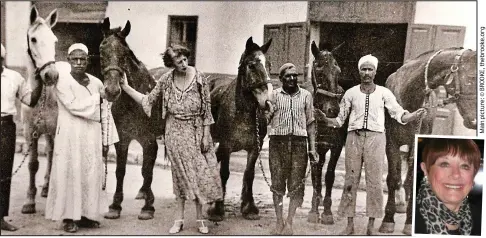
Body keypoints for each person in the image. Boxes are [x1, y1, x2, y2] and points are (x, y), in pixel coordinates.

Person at [317, 54, 427, 235]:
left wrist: (413, 116)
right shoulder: (350, 93)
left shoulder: (385, 93)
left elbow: (398, 114)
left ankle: (370, 226)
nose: (367, 73)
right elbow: (339, 120)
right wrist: (325, 119)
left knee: (374, 183)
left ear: (375, 72)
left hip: (377, 139)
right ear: (359, 71)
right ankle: (349, 225)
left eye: (370, 69)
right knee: (350, 181)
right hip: (354, 138)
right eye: (363, 69)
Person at [120, 44, 222, 234]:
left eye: (185, 59)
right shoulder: (166, 80)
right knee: (180, 178)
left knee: (199, 176)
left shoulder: (200, 78)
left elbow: (207, 110)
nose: (184, 64)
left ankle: (200, 220)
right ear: (171, 64)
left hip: (196, 131)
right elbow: (147, 100)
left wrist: (207, 135)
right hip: (174, 133)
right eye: (179, 61)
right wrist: (126, 87)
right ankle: (179, 219)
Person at [45, 43, 117, 233]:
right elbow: (74, 106)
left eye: (82, 59)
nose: (78, 63)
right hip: (69, 135)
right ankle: (68, 217)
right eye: (74, 59)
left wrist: (106, 140)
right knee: (70, 173)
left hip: (91, 136)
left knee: (90, 173)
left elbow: (105, 112)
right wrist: (98, 99)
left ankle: (86, 215)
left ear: (88, 60)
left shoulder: (96, 82)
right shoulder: (62, 81)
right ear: (68, 60)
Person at [265, 63, 317, 235]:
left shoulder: (306, 96)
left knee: (296, 184)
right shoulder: (273, 96)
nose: (292, 78)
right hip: (277, 143)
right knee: (277, 183)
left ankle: (290, 221)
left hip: (299, 144)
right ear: (280, 79)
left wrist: (313, 148)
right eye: (288, 76)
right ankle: (279, 221)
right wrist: (266, 112)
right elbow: (265, 120)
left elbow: (310, 123)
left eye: (295, 75)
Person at [1, 43, 44, 231]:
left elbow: (30, 100)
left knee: (3, 174)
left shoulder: (14, 77)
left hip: (5, 127)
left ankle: (0, 217)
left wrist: (40, 82)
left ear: (2, 59)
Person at [415, 138, 482, 235]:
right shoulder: (411, 220)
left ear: (473, 175)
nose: (456, 174)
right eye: (445, 164)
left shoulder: (480, 217)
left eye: (465, 166)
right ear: (426, 169)